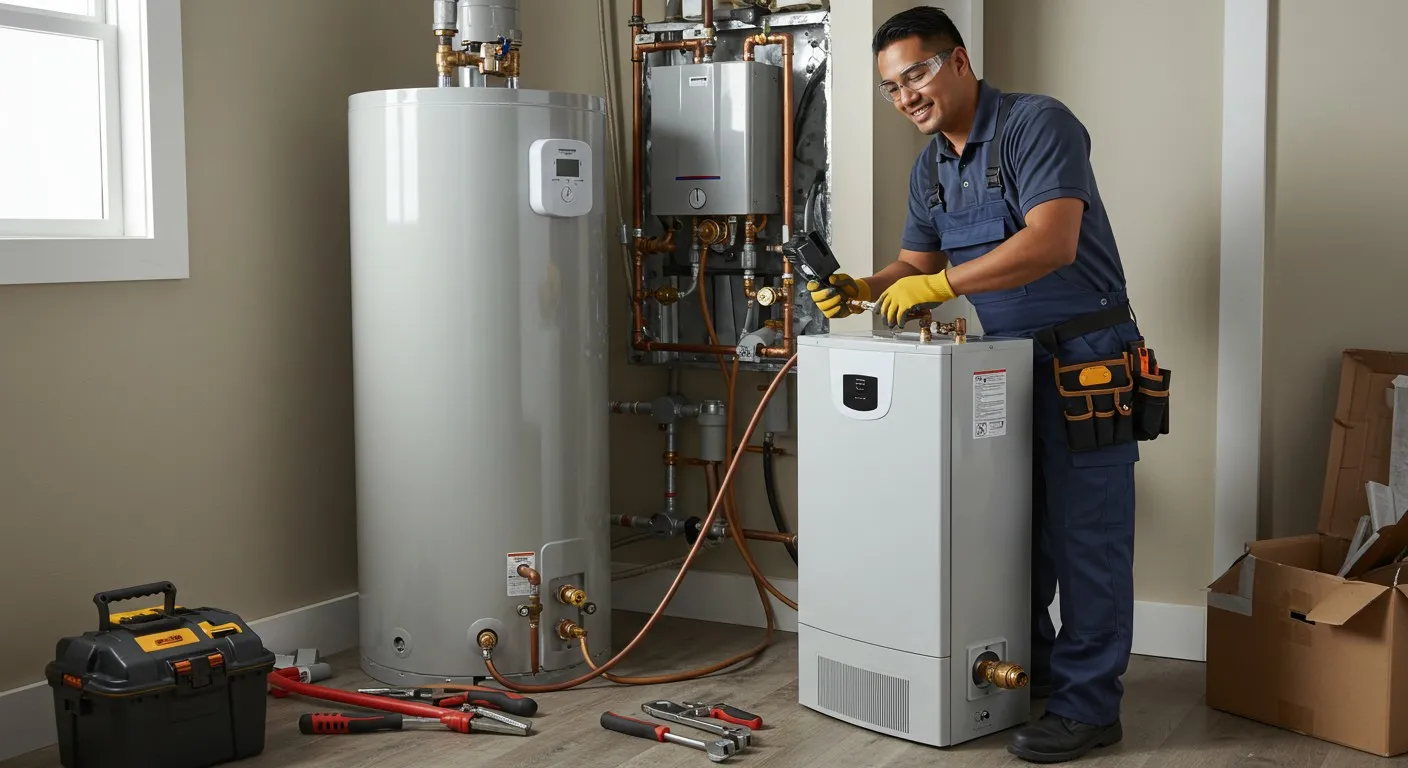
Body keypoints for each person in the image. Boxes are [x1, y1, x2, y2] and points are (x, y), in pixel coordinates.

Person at [809, 7, 1153, 764]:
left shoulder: (1037, 125)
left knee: (1086, 539)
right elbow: (914, 267)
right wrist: (860, 288)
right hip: (999, 368)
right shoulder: (932, 165)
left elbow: (1052, 241)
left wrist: (940, 289)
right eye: (892, 89)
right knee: (1008, 533)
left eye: (918, 74)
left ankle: (1091, 707)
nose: (907, 98)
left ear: (959, 62)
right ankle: (1024, 675)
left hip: (1083, 359)